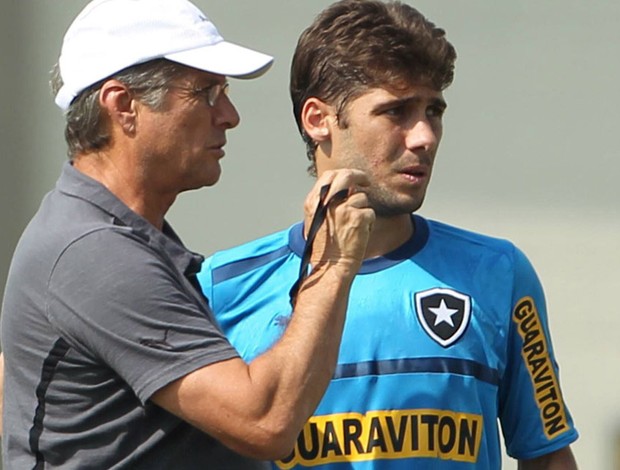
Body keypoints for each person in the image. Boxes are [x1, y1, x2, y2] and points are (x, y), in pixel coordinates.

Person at [197, 0, 579, 468]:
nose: (425, 136)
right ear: (318, 120)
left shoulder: (498, 272)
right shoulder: (221, 287)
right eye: (396, 112)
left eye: (433, 110)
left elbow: (548, 457)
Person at [0, 0, 375, 468]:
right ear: (123, 107)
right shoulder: (95, 253)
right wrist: (333, 263)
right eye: (206, 92)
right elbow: (266, 422)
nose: (229, 115)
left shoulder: (107, 236)